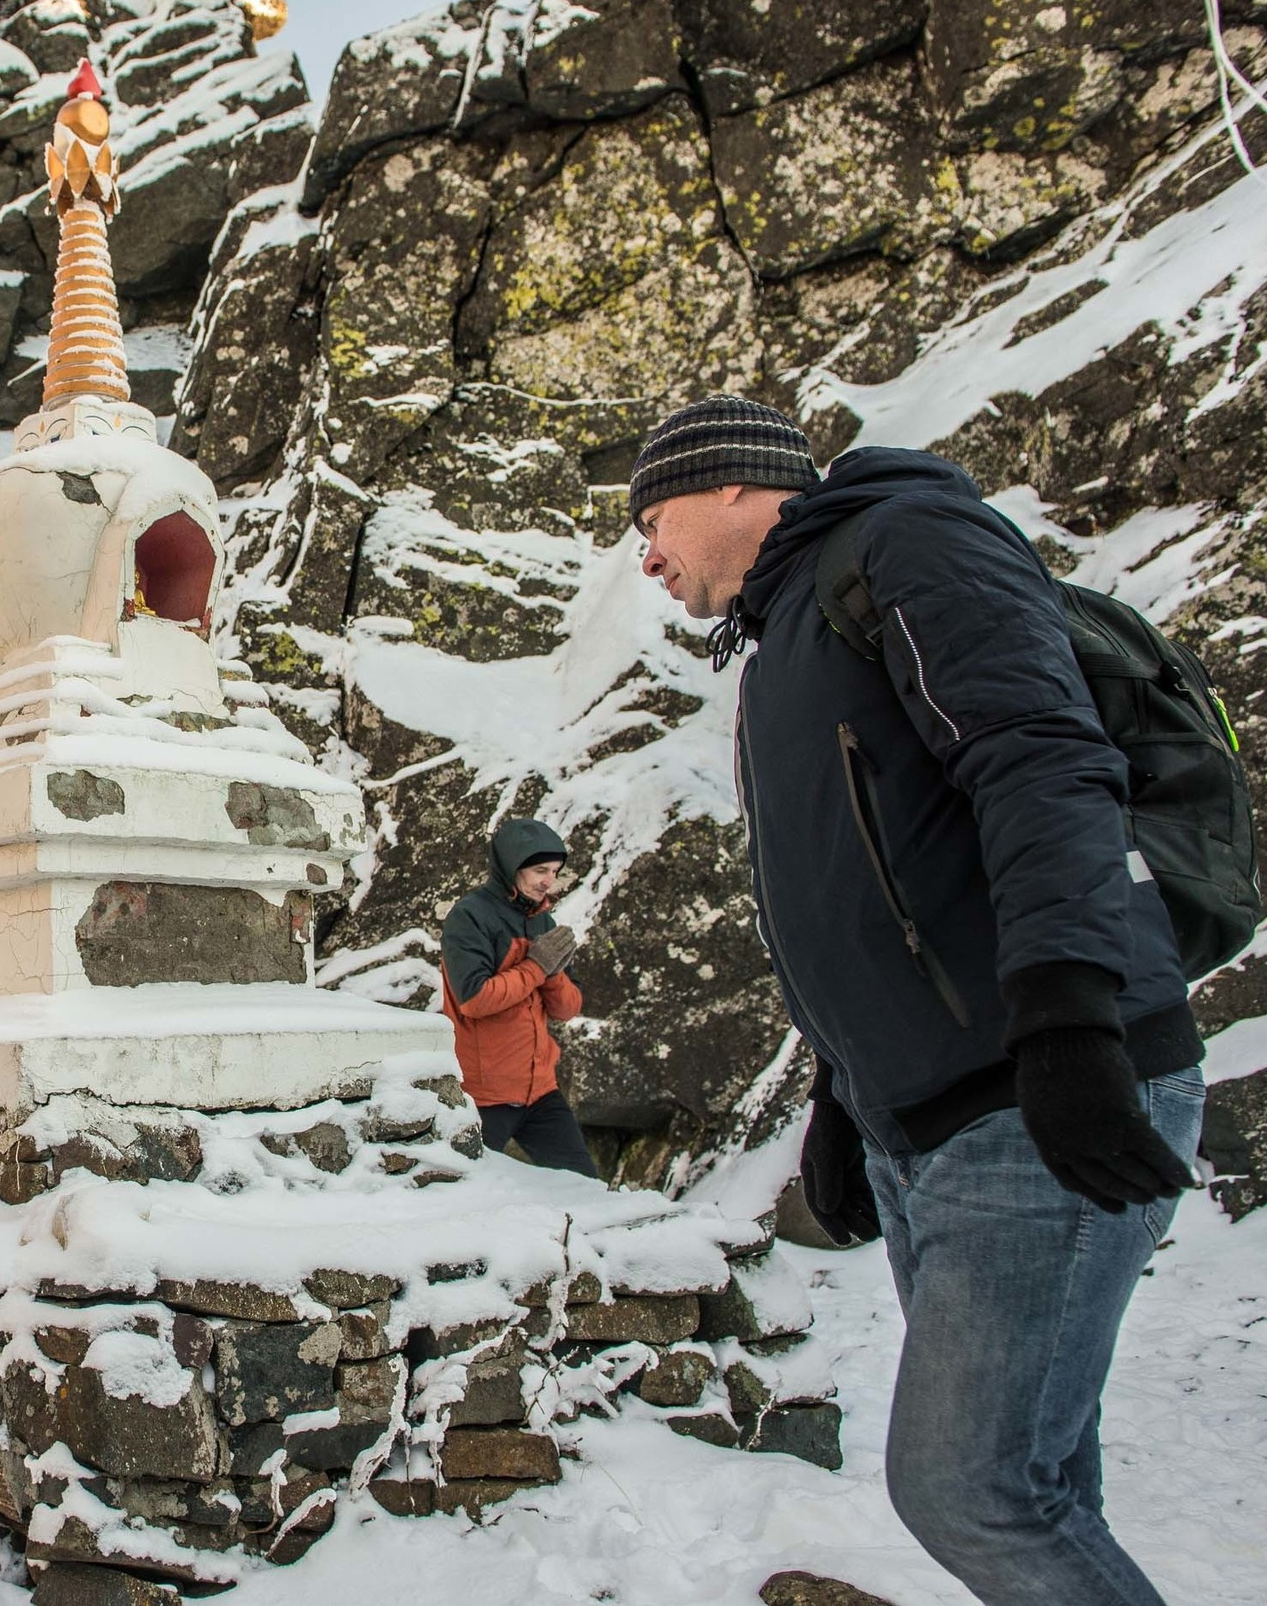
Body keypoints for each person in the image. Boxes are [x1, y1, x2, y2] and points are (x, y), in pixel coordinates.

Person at [631, 395, 1201, 1606]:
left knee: (969, 1487)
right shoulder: (783, 640)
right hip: (934, 1120)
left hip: (1030, 1088)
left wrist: (1064, 1018)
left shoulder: (902, 542)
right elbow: (873, 891)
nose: (645, 554)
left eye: (652, 515)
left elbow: (1038, 759)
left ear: (734, 483)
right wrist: (845, 1097)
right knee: (1040, 1485)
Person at [440, 818, 598, 1178]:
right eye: (540, 870)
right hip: (484, 1096)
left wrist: (551, 972)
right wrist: (536, 968)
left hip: (540, 1091)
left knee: (585, 1187)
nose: (549, 881)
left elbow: (568, 1008)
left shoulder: (542, 920)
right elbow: (475, 999)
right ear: (512, 866)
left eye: (555, 872)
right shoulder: (470, 916)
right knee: (459, 1196)